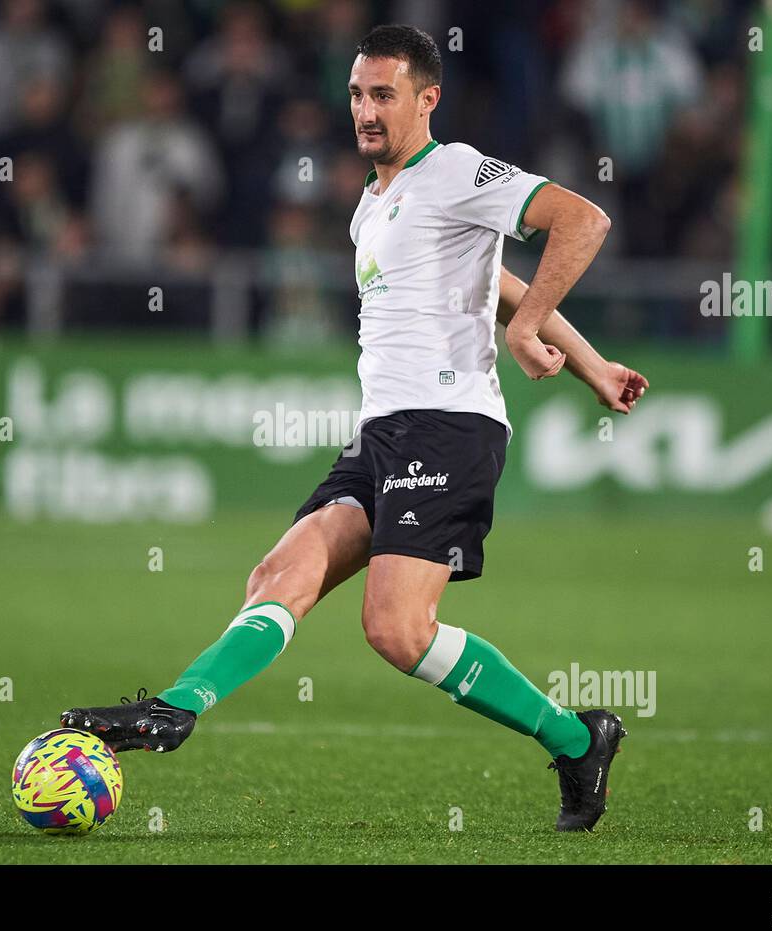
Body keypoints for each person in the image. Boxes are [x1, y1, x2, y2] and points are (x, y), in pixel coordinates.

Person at [62, 24, 649, 832]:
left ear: (426, 98)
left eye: (384, 94)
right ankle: (175, 708)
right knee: (278, 574)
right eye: (356, 94)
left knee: (397, 628)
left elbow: (583, 220)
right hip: (381, 433)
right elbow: (501, 283)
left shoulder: (454, 169)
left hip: (446, 428)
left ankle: (577, 738)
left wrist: (533, 331)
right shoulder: (372, 203)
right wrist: (591, 363)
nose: (366, 111)